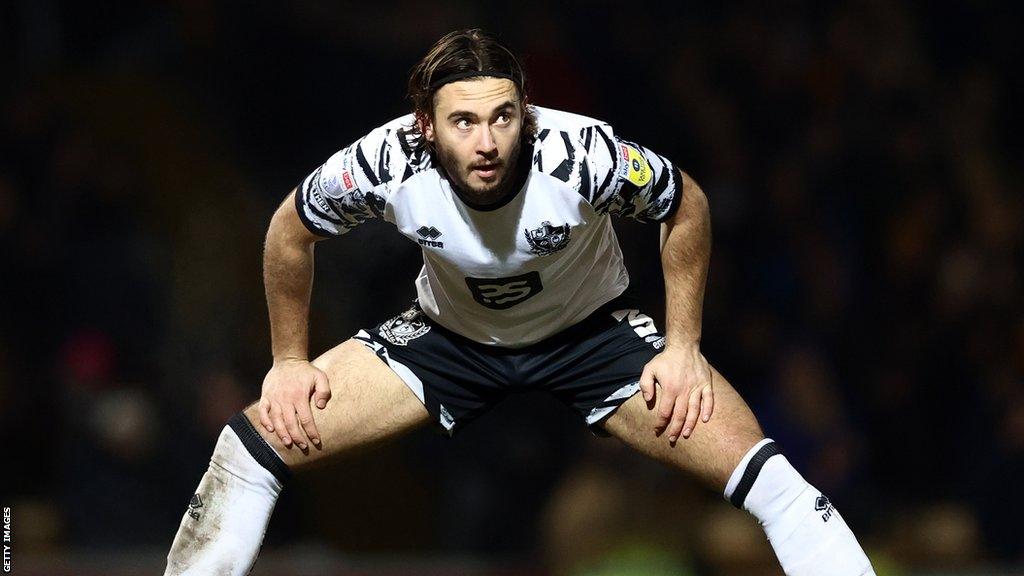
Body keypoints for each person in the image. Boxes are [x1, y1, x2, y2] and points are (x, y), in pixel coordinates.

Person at [165, 29, 875, 576]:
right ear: (425, 126)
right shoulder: (383, 163)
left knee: (775, 484)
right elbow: (289, 231)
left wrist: (683, 346)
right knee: (250, 446)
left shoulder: (582, 154)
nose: (487, 142)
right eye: (464, 123)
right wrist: (287, 360)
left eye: (503, 117)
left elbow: (684, 204)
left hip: (593, 339)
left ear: (525, 112)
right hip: (448, 341)